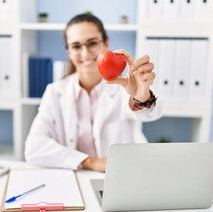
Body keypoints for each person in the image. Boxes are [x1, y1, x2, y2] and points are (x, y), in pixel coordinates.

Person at [25, 13, 163, 172]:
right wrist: (90, 162)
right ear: (68, 52)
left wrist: (141, 97)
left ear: (106, 43)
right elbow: (33, 147)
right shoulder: (55, 92)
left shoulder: (124, 89)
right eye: (76, 46)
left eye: (92, 43)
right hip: (75, 178)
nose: (85, 53)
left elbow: (153, 113)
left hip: (121, 176)